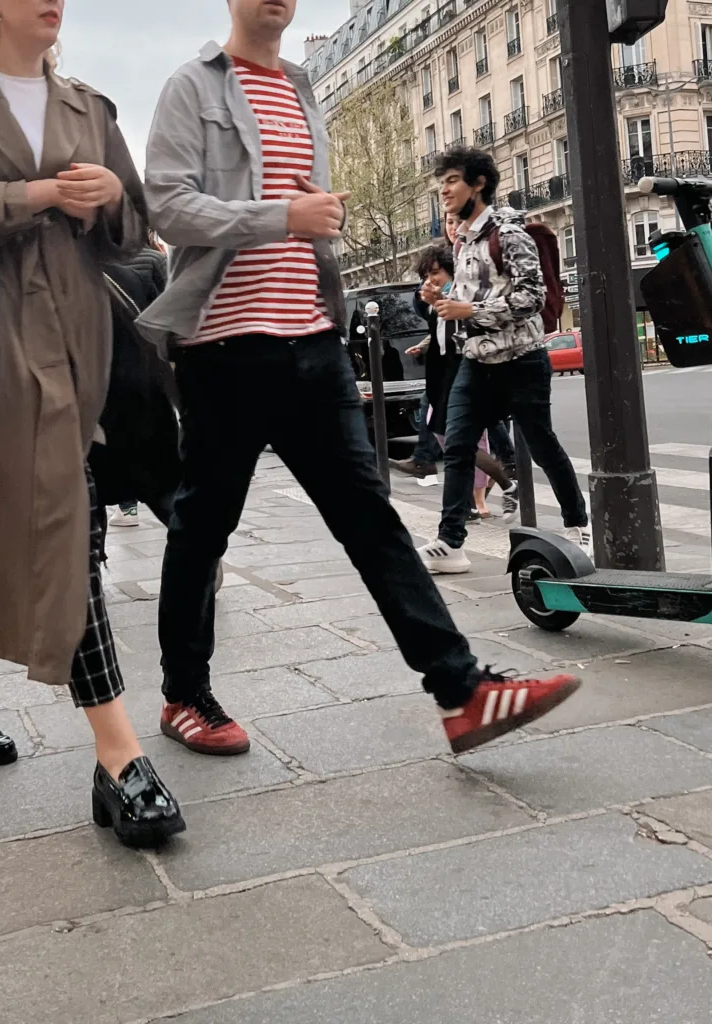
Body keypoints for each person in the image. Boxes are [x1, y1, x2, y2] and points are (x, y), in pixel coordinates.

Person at [137, 0, 581, 759]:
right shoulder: (193, 86)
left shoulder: (303, 88)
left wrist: (317, 236)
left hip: (313, 342)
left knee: (370, 516)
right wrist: (284, 218)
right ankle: (185, 694)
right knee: (204, 526)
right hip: (226, 346)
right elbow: (169, 208)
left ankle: (461, 691)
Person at [0, 0, 183, 847]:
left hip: (83, 337)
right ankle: (118, 756)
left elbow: (138, 228)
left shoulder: (90, 108)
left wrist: (102, 201)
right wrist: (38, 193)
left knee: (33, 518)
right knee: (69, 523)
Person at [418, 146, 591, 574]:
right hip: (476, 362)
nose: (444, 191)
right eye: (442, 184)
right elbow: (470, 298)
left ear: (478, 184)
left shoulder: (510, 234)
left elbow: (531, 298)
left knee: (542, 445)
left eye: (452, 181)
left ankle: (577, 526)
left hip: (521, 361)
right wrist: (441, 301)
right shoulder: (461, 242)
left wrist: (471, 311)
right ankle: (450, 544)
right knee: (457, 449)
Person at [413, 242, 517, 527]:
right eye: (426, 274)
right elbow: (441, 335)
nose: (431, 279)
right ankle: (488, 494)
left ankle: (493, 490)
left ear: (451, 270)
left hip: (466, 372)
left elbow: (469, 330)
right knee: (454, 440)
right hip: (447, 376)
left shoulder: (463, 293)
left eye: (435, 273)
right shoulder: (441, 298)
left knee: (462, 440)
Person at [105, 231, 171, 530]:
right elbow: (167, 309)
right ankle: (197, 547)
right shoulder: (152, 261)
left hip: (101, 381)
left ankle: (127, 510)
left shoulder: (84, 270)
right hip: (143, 368)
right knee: (158, 471)